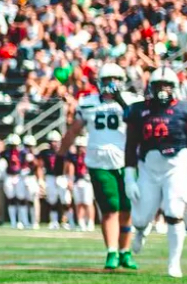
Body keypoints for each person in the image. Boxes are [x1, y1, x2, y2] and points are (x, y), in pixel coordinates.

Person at [60, 63, 140, 270]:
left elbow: (139, 122)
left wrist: (121, 101)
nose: (111, 85)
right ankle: (112, 251)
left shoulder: (131, 100)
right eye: (106, 81)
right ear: (99, 82)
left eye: (114, 80)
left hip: (127, 159)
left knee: (127, 209)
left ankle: (125, 251)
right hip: (99, 160)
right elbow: (75, 129)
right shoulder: (88, 103)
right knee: (110, 209)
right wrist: (61, 153)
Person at [124, 67, 187, 279]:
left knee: (174, 212)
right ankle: (141, 229)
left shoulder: (186, 109)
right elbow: (131, 144)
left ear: (174, 88)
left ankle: (174, 263)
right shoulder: (138, 110)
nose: (162, 90)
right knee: (140, 217)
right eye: (158, 86)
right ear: (150, 88)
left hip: (177, 165)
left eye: (166, 85)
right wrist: (129, 176)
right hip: (148, 167)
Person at [39, 131, 71, 230]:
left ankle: (65, 221)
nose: (54, 143)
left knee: (65, 200)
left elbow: (69, 165)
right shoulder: (45, 152)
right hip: (50, 177)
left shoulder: (65, 152)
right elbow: (39, 165)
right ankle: (53, 221)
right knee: (52, 200)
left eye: (56, 141)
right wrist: (41, 179)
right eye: (52, 141)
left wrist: (69, 178)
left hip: (62, 177)